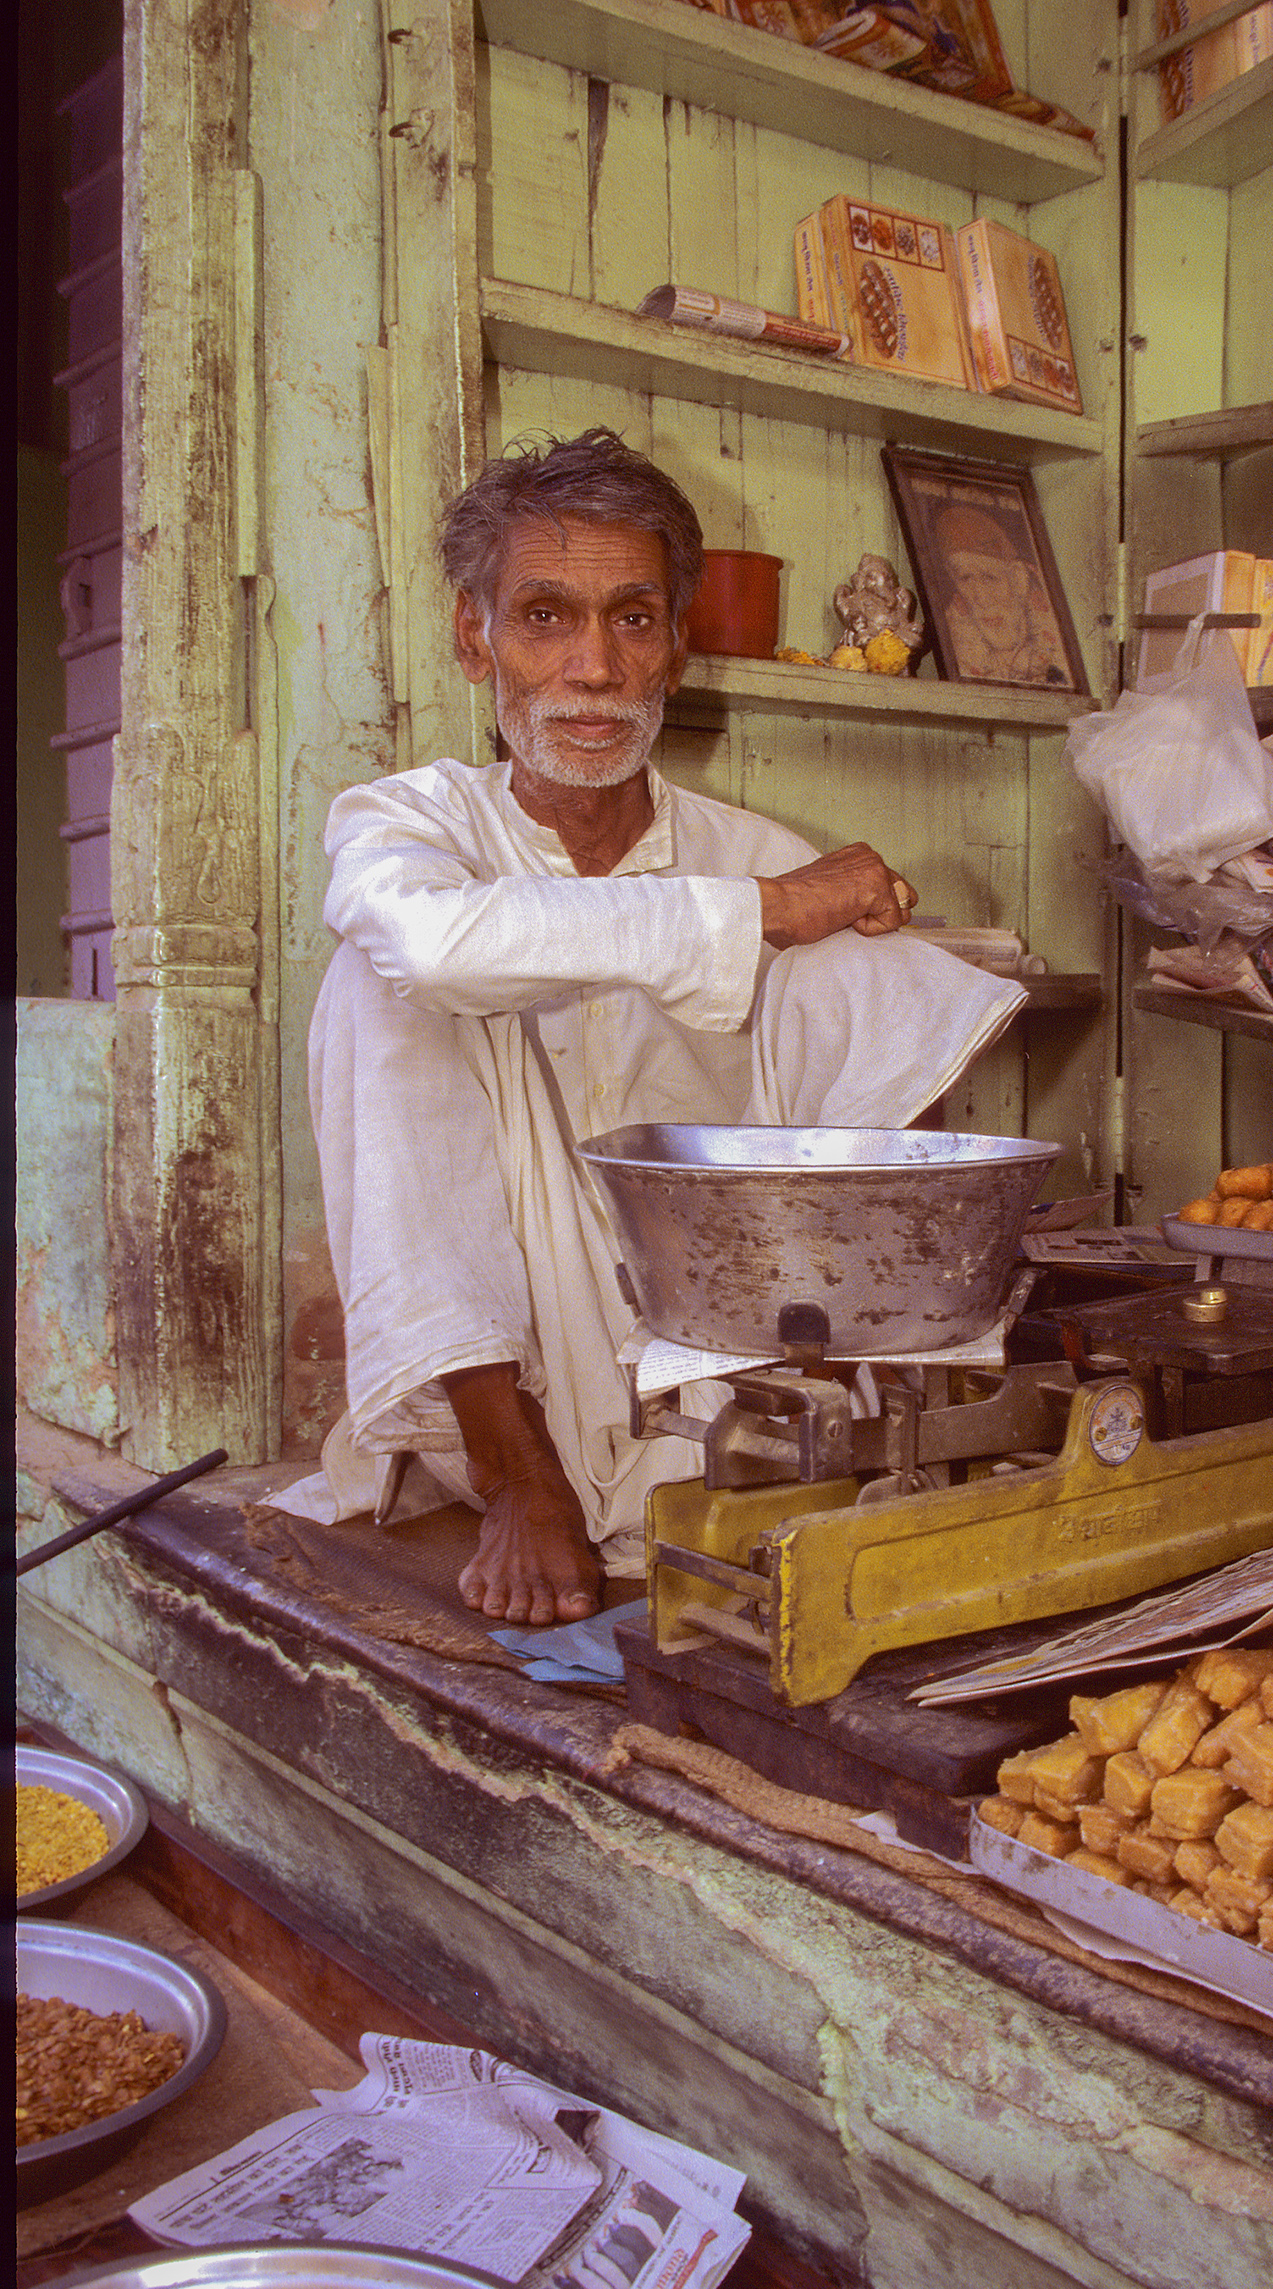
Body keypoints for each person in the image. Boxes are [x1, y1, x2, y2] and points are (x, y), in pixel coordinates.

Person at [274, 430, 1024, 1627]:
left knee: (849, 959)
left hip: (717, 1376)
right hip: (494, 1392)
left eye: (631, 619)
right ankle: (525, 1478)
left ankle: (832, 1413)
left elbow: (903, 1076)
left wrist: (819, 921)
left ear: (677, 642)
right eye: (543, 618)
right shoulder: (411, 823)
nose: (592, 667)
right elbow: (428, 943)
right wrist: (765, 915)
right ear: (475, 639)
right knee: (379, 986)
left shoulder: (750, 855)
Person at [932, 502, 1069, 687]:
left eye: (990, 578)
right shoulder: (957, 647)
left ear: (1019, 579)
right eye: (965, 579)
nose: (980, 598)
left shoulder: (1057, 648)